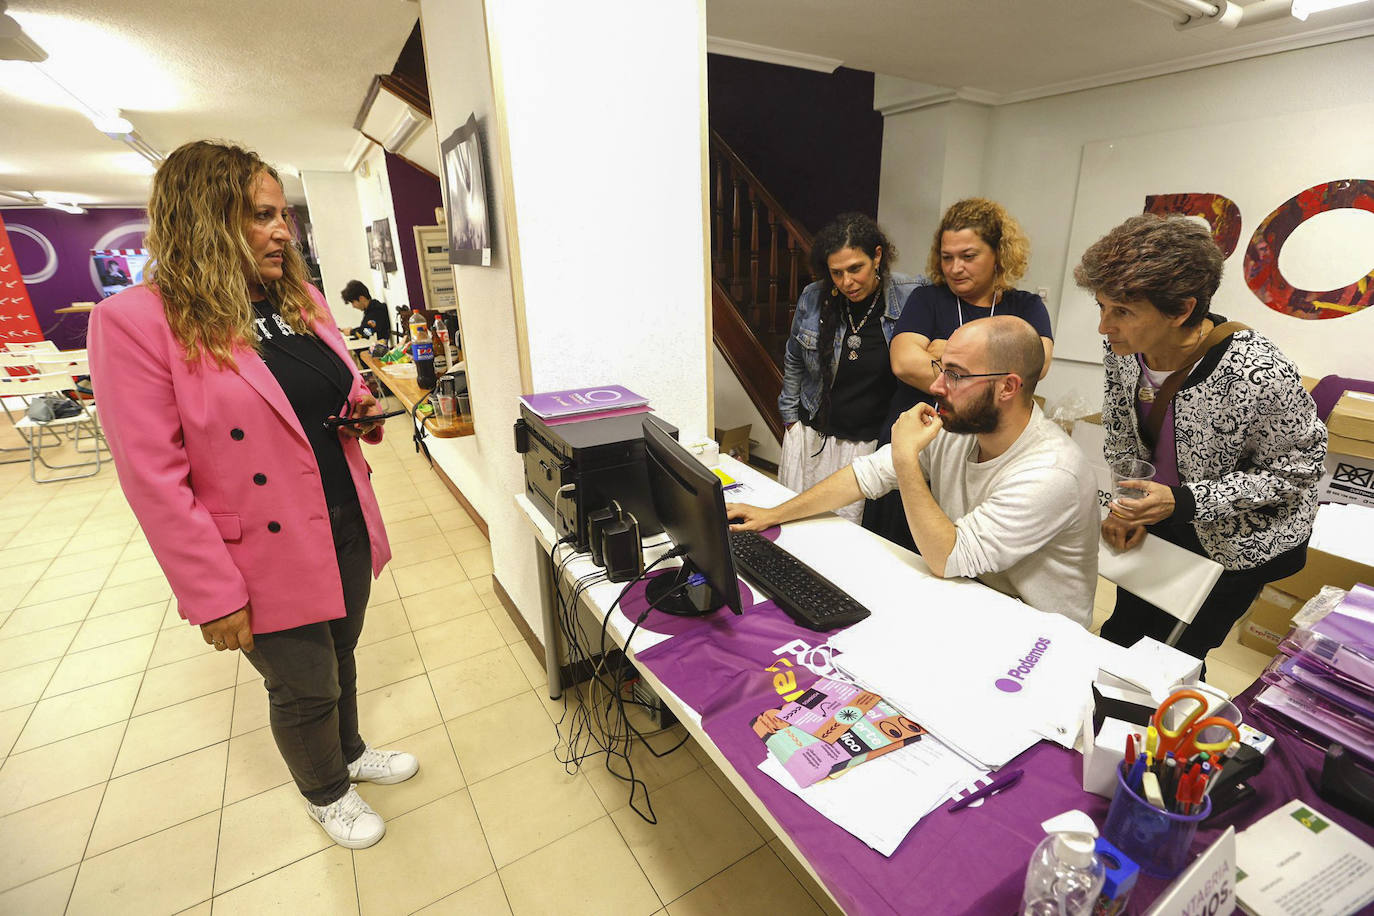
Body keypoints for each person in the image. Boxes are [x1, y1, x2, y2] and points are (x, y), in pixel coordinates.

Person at [88, 140, 415, 850]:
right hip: (259, 547)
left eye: (281, 215)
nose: (282, 231)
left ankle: (351, 753)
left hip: (341, 518)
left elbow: (332, 384)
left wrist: (357, 404)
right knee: (303, 685)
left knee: (342, 651)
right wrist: (212, 593)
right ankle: (326, 792)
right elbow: (154, 478)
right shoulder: (137, 323)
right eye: (261, 216)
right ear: (205, 219)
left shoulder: (298, 298)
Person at [1074, 214, 1327, 663]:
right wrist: (1128, 504)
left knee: (1175, 655)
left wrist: (1185, 502)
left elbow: (1299, 471)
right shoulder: (1124, 349)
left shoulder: (1259, 373)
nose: (1104, 328)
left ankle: (1166, 728)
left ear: (1183, 309)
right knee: (1123, 631)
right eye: (1102, 307)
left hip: (1238, 540)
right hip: (1161, 517)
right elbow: (1120, 433)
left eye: (1122, 312)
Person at [735, 316, 1099, 626]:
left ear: (1008, 386)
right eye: (941, 368)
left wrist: (906, 458)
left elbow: (947, 557)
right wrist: (773, 514)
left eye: (955, 375)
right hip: (974, 600)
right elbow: (867, 474)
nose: (937, 386)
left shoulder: (1052, 471)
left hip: (1041, 640)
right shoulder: (963, 426)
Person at [870, 199, 1055, 548]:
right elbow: (904, 363)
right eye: (946, 256)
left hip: (985, 460)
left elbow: (1036, 367)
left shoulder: (1026, 306)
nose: (955, 267)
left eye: (968, 256)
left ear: (998, 253)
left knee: (963, 557)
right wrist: (985, 374)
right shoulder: (927, 299)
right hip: (917, 444)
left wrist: (942, 350)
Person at [777, 213, 926, 524]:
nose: (847, 282)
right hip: (812, 437)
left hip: (866, 448)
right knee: (798, 526)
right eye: (837, 273)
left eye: (855, 268)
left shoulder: (912, 294)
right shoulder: (813, 297)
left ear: (877, 256)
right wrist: (790, 418)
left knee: (849, 537)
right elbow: (793, 358)